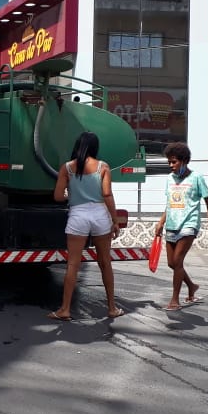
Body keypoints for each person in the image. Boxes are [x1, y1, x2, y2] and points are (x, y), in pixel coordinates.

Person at [48, 131, 123, 321]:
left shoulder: (67, 168)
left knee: (73, 264)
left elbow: (58, 196)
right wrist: (115, 220)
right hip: (100, 214)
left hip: (78, 215)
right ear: (95, 147)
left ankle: (65, 309)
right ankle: (112, 308)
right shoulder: (103, 166)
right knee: (105, 263)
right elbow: (107, 194)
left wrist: (72, 195)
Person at [154, 142, 208, 311]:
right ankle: (191, 286)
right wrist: (161, 223)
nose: (171, 165)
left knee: (177, 261)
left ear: (184, 161)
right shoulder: (169, 179)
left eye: (174, 162)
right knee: (172, 263)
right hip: (172, 224)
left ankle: (174, 300)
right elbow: (169, 204)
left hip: (189, 225)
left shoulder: (196, 178)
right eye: (169, 162)